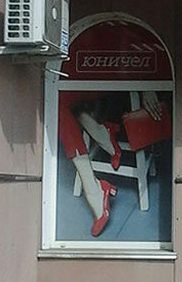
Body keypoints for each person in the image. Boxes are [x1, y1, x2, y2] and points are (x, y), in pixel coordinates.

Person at [59, 90, 164, 237]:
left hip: (120, 79)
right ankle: (102, 136)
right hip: (92, 77)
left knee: (59, 102)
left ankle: (94, 189)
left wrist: (148, 87)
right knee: (59, 100)